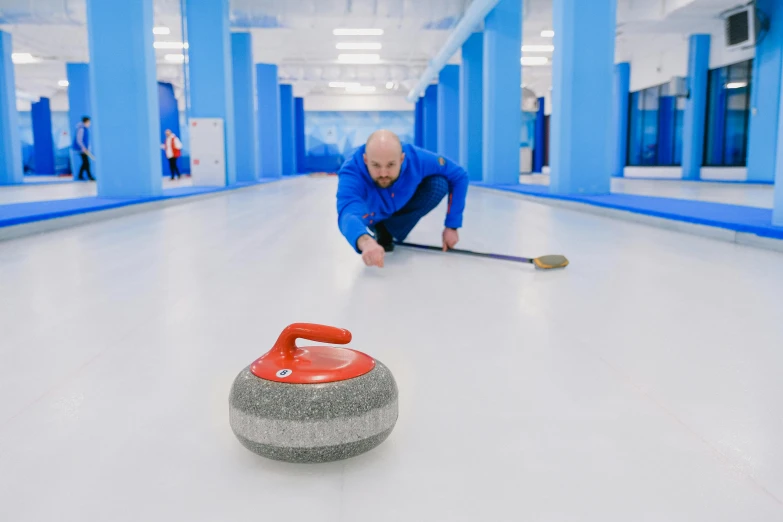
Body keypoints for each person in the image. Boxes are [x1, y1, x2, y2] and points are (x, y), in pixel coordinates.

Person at [336, 130, 469, 268]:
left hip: (401, 206)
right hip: (371, 214)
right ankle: (379, 227)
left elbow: (459, 175)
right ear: (365, 160)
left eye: (390, 165)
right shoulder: (352, 171)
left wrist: (452, 225)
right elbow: (347, 212)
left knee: (439, 184)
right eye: (375, 165)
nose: (383, 173)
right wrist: (365, 241)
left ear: (402, 158)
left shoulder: (417, 158)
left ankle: (389, 230)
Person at [71, 116, 94, 181]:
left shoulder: (85, 129)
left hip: (84, 149)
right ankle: (89, 176)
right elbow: (79, 139)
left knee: (85, 163)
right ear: (86, 122)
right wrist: (83, 147)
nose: (90, 124)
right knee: (86, 163)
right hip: (81, 149)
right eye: (89, 122)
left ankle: (81, 175)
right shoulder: (81, 129)